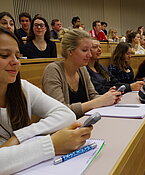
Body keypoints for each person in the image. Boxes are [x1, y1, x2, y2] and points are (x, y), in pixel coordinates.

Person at [0, 27, 93, 174]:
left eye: (17, 56)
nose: (15, 62)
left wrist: (19, 136)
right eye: (4, 55)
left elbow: (66, 115)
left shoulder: (23, 87)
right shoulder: (54, 69)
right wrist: (51, 145)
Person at [42, 29, 121, 119]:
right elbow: (60, 111)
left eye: (89, 50)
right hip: (63, 129)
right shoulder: (53, 70)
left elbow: (92, 96)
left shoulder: (82, 69)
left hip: (84, 122)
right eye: (84, 50)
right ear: (70, 51)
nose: (90, 55)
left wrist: (110, 98)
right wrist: (99, 101)